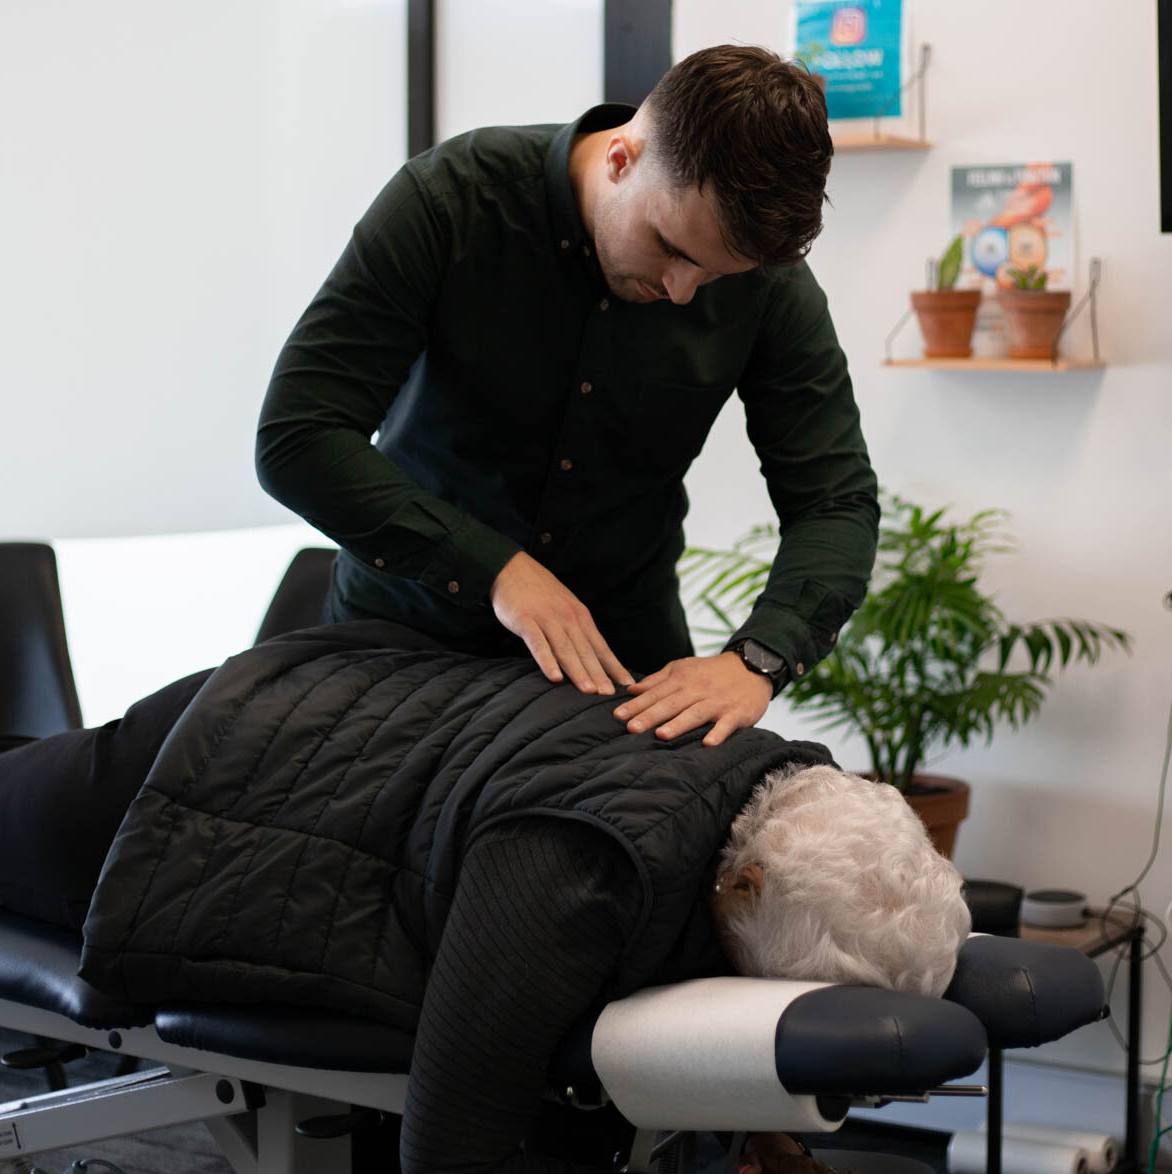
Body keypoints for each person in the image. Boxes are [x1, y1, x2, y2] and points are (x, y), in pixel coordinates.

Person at [0, 624, 970, 1174]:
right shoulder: (570, 872)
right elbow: (451, 1166)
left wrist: (772, 1138)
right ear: (740, 894)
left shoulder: (798, 788)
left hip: (343, 733)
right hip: (203, 799)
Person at [256, 45, 880, 750]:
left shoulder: (768, 286)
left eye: (713, 276)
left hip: (619, 671)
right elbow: (299, 437)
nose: (681, 291)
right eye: (670, 248)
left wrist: (759, 659)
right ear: (622, 157)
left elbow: (835, 500)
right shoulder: (450, 202)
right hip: (404, 640)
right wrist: (495, 569)